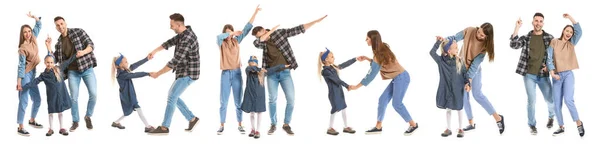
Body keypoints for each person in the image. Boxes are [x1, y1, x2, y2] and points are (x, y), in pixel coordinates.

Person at [250, 14, 327, 135]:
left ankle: (286, 124)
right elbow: (257, 42)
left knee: (291, 99)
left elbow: (298, 29)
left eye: (261, 34)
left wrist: (315, 22)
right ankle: (273, 124)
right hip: (271, 74)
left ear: (264, 30)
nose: (262, 38)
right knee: (272, 99)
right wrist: (266, 34)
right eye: (259, 37)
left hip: (285, 73)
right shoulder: (261, 42)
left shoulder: (280, 33)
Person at [349, 30, 419, 136]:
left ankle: (413, 125)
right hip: (397, 78)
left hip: (402, 77)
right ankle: (378, 126)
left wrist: (356, 87)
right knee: (382, 100)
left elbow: (371, 75)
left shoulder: (379, 54)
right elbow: (381, 63)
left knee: (397, 104)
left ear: (372, 40)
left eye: (367, 38)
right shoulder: (382, 48)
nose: (365, 40)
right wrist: (368, 59)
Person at [439, 22, 505, 134]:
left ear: (487, 37)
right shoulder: (469, 30)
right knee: (464, 97)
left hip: (474, 71)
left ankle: (498, 118)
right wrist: (444, 40)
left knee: (477, 95)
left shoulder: (484, 47)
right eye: (479, 32)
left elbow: (475, 65)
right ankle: (471, 123)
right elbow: (454, 38)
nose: (479, 35)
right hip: (460, 68)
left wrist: (468, 80)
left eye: (482, 35)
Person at [146, 13, 200, 134]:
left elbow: (174, 62)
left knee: (172, 97)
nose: (170, 27)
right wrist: (154, 51)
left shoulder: (187, 39)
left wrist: (158, 73)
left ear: (179, 24)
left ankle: (165, 127)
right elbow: (169, 42)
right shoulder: (182, 34)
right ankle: (192, 118)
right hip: (183, 71)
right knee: (173, 96)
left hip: (189, 73)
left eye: (172, 25)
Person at [216, 5, 261, 135]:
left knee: (238, 101)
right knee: (223, 102)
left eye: (231, 32)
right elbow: (219, 36)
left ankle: (240, 124)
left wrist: (255, 12)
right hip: (225, 74)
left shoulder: (236, 41)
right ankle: (221, 125)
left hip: (236, 73)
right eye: (228, 32)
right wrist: (231, 33)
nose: (230, 35)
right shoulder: (221, 42)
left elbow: (247, 28)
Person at [509, 13, 555, 135]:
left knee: (550, 99)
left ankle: (551, 117)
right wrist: (517, 28)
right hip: (529, 74)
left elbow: (556, 54)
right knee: (532, 101)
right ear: (532, 22)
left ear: (543, 23)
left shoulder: (549, 38)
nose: (538, 23)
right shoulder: (526, 38)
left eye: (540, 21)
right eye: (536, 21)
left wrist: (550, 66)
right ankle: (532, 125)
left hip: (543, 75)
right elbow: (513, 45)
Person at [20, 36, 75, 137]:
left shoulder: (58, 69)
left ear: (53, 63)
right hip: (51, 97)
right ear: (45, 63)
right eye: (48, 62)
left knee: (60, 112)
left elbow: (67, 62)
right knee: (51, 113)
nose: (49, 64)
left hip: (61, 95)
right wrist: (24, 86)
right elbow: (34, 82)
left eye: (51, 62)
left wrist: (76, 55)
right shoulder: (43, 75)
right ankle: (51, 129)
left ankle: (62, 127)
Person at [52, 16, 98, 132]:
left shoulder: (78, 31)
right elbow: (54, 60)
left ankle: (88, 116)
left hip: (87, 68)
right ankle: (75, 121)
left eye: (62, 23)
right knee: (73, 98)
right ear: (56, 27)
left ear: (65, 23)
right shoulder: (59, 43)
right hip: (73, 72)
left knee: (93, 94)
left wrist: (83, 52)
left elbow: (91, 45)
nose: (60, 26)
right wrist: (48, 47)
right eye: (57, 25)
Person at [546, 13, 585, 137]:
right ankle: (561, 126)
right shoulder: (554, 42)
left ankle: (578, 123)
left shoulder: (571, 43)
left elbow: (579, 30)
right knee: (557, 103)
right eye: (567, 31)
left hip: (568, 74)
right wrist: (552, 72)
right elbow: (549, 58)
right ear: (563, 31)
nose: (569, 33)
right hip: (556, 76)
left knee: (568, 100)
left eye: (571, 32)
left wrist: (570, 18)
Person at [241, 56, 289, 139]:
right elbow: (250, 68)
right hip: (250, 95)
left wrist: (283, 66)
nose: (252, 64)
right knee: (252, 113)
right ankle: (252, 129)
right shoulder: (248, 71)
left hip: (259, 96)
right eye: (250, 62)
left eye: (253, 62)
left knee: (259, 113)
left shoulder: (262, 72)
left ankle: (257, 131)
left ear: (256, 63)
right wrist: (259, 69)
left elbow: (273, 69)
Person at [430, 37, 469, 138]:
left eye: (457, 47)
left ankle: (461, 128)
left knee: (459, 108)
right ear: (449, 50)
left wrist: (467, 83)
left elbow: (465, 74)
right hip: (446, 88)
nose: (457, 49)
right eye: (455, 48)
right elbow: (432, 53)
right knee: (448, 108)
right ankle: (448, 128)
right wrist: (438, 42)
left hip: (458, 89)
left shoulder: (460, 61)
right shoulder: (441, 61)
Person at [318, 48, 359, 136]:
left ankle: (346, 127)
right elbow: (337, 80)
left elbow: (344, 65)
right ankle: (330, 128)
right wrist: (347, 86)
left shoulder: (333, 67)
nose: (334, 58)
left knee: (344, 107)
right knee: (335, 109)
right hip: (334, 93)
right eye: (332, 57)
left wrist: (355, 59)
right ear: (326, 59)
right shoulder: (325, 71)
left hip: (339, 91)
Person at [110, 54, 155, 133]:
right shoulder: (122, 75)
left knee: (128, 111)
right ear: (120, 65)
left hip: (128, 95)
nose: (128, 63)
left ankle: (116, 122)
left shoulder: (125, 71)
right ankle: (147, 126)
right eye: (126, 62)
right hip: (128, 96)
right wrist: (147, 73)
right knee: (137, 108)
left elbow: (135, 65)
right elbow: (135, 75)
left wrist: (146, 59)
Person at [16, 11, 43, 136]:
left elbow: (38, 25)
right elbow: (21, 66)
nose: (27, 34)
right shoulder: (22, 48)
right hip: (26, 75)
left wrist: (34, 17)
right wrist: (19, 82)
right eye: (25, 32)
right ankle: (20, 126)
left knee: (37, 99)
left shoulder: (33, 39)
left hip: (33, 74)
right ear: (22, 35)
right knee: (24, 100)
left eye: (29, 31)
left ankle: (32, 120)